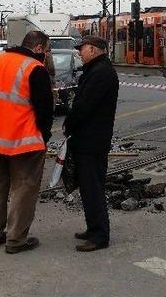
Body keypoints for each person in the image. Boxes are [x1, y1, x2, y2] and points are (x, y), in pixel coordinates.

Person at [0, 30, 54, 254]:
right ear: (38, 48)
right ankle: (16, 239)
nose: (47, 55)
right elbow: (44, 110)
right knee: (24, 188)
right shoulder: (34, 68)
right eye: (47, 50)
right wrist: (44, 135)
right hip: (23, 140)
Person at [64, 36, 119, 252]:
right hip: (89, 139)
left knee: (93, 188)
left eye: (82, 49)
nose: (79, 53)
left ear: (94, 50)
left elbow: (85, 106)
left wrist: (69, 123)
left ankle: (99, 235)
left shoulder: (101, 73)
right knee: (88, 187)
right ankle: (93, 227)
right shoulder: (96, 70)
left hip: (92, 140)